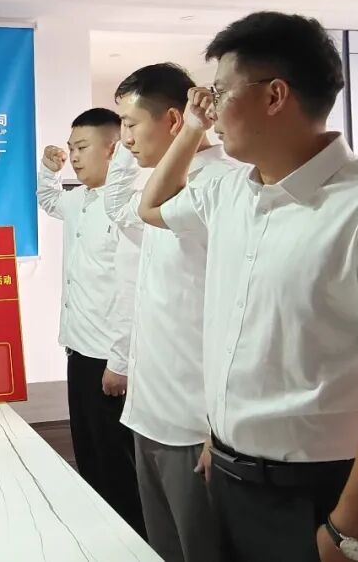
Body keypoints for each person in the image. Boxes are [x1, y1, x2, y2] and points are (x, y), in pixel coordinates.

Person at [137, 12, 358, 562]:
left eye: (220, 92)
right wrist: (224, 436)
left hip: (321, 496)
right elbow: (151, 208)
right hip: (227, 476)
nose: (210, 110)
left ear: (275, 95)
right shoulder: (230, 194)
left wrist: (347, 534)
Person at [101, 64, 231, 562]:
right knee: (166, 547)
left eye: (131, 124)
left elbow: (238, 316)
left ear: (175, 120)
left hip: (195, 423)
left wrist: (217, 429)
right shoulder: (161, 186)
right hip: (151, 413)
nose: (126, 139)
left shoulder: (223, 185)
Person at [36, 107, 146, 536]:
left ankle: (131, 538)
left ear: (113, 150)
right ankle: (100, 534)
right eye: (71, 148)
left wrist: (120, 360)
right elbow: (49, 201)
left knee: (116, 460)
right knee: (87, 450)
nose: (75, 157)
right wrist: (48, 171)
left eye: (82, 147)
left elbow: (131, 290)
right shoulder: (78, 199)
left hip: (109, 360)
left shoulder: (129, 209)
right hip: (78, 349)